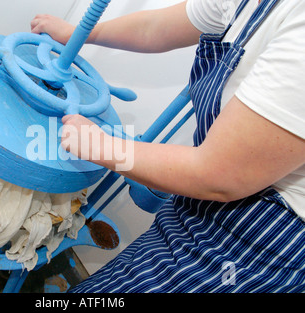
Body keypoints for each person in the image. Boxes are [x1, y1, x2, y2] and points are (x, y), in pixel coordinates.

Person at [30, 0, 305, 292]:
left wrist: (103, 147)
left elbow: (220, 175)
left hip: (254, 247)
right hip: (197, 207)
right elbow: (154, 28)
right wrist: (79, 32)